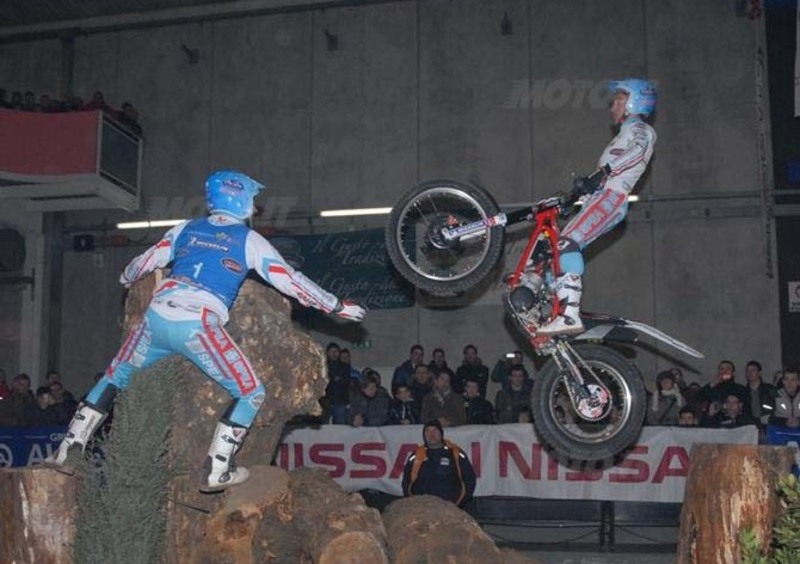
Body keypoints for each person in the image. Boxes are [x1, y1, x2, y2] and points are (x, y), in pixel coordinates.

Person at [47, 170, 366, 490]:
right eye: (252, 200)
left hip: (155, 320)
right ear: (239, 199)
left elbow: (142, 263)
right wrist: (335, 306)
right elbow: (290, 281)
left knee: (113, 378)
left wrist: (126, 278)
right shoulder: (248, 240)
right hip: (196, 325)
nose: (255, 206)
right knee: (251, 392)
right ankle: (217, 468)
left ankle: (67, 450)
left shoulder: (185, 228)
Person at [537, 79, 657, 335]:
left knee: (567, 243)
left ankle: (569, 316)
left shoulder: (641, 130)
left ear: (633, 102)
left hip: (612, 198)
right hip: (601, 198)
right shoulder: (622, 135)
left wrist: (603, 173)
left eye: (618, 100)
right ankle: (549, 307)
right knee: (555, 250)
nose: (613, 105)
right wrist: (580, 192)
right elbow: (604, 174)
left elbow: (636, 153)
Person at [401, 419, 476, 507]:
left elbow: (469, 480)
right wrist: (413, 503)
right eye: (428, 431)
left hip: (449, 509)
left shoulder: (456, 454)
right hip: (421, 509)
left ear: (441, 434)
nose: (431, 435)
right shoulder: (417, 455)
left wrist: (459, 505)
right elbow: (406, 482)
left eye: (435, 431)